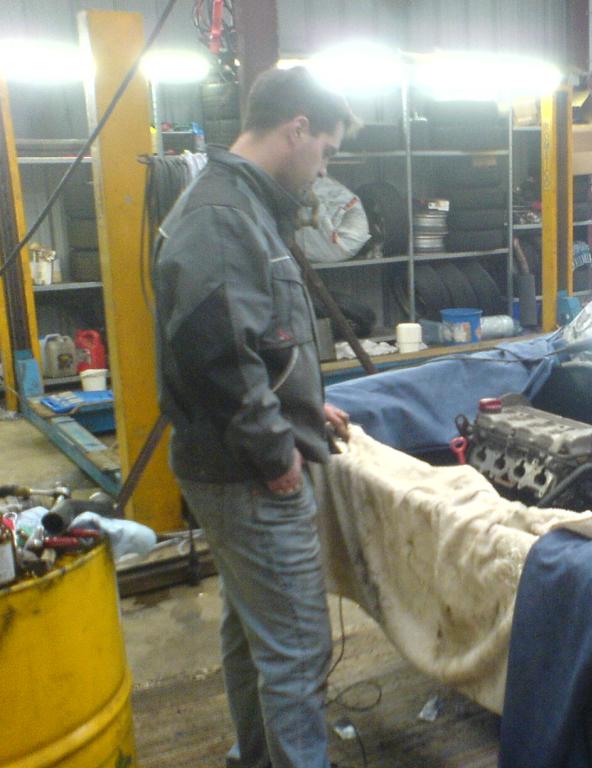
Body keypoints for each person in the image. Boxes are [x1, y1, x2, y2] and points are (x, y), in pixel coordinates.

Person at [152, 66, 358, 768]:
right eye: (325, 150)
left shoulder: (238, 205)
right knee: (298, 650)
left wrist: (300, 401)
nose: (322, 168)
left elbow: (256, 336)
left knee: (253, 634)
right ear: (297, 129)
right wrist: (276, 452)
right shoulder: (221, 215)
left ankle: (255, 758)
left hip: (228, 462)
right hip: (246, 473)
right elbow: (213, 351)